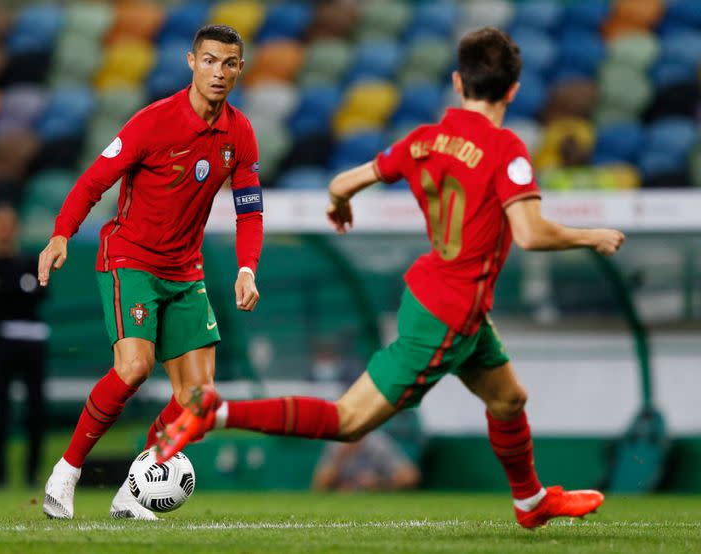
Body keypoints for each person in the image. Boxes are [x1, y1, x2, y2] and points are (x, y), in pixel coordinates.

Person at [159, 27, 625, 529]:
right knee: (347, 420)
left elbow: (342, 182)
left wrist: (339, 206)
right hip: (450, 314)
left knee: (509, 399)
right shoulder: (504, 148)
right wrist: (592, 236)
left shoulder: (424, 140)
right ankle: (218, 413)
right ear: (513, 90)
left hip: (436, 295)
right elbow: (530, 234)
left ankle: (531, 503)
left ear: (457, 82)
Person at [37, 24, 263, 520]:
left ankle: (132, 493)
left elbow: (250, 211)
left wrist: (247, 268)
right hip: (130, 258)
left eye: (228, 63)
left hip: (186, 272)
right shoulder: (153, 122)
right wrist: (61, 233)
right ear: (191, 62)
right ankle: (67, 472)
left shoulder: (240, 134)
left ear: (240, 69)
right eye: (209, 61)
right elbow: (94, 180)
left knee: (197, 399)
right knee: (134, 368)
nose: (218, 72)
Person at [0, 203, 48, 489]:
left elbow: (39, 294)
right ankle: (0, 477)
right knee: (0, 409)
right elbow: (4, 297)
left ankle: (32, 475)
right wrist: (19, 289)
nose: (3, 229)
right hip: (1, 341)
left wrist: (2, 287)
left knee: (36, 410)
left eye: (8, 223)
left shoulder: (30, 261)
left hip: (32, 341)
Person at [312, 430, 421, 492]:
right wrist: (340, 458)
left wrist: (379, 483)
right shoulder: (337, 444)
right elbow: (318, 486)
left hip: (379, 503)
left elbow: (411, 477)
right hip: (342, 504)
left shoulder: (379, 444)